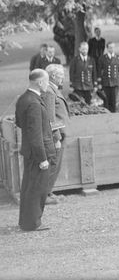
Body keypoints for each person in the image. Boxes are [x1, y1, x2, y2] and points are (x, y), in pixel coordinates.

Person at [16, 69, 56, 231]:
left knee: (28, 187)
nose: (48, 84)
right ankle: (32, 223)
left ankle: (26, 221)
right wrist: (42, 158)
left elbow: (20, 123)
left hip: (30, 150)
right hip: (37, 153)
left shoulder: (23, 98)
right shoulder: (33, 102)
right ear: (39, 82)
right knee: (37, 188)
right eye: (46, 81)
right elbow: (35, 133)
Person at [42, 64, 70, 205]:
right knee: (53, 164)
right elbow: (50, 117)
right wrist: (56, 137)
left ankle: (49, 191)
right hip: (56, 136)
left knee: (56, 165)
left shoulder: (52, 89)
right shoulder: (49, 91)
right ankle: (44, 195)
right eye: (61, 76)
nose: (63, 79)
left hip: (60, 134)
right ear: (53, 76)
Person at [97, 42, 119, 113]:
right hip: (106, 82)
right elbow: (99, 71)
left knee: (114, 100)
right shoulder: (102, 58)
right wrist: (99, 83)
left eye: (113, 47)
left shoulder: (118, 57)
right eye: (110, 47)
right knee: (106, 100)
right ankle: (106, 114)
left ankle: (114, 115)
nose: (112, 49)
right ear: (107, 48)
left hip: (115, 82)